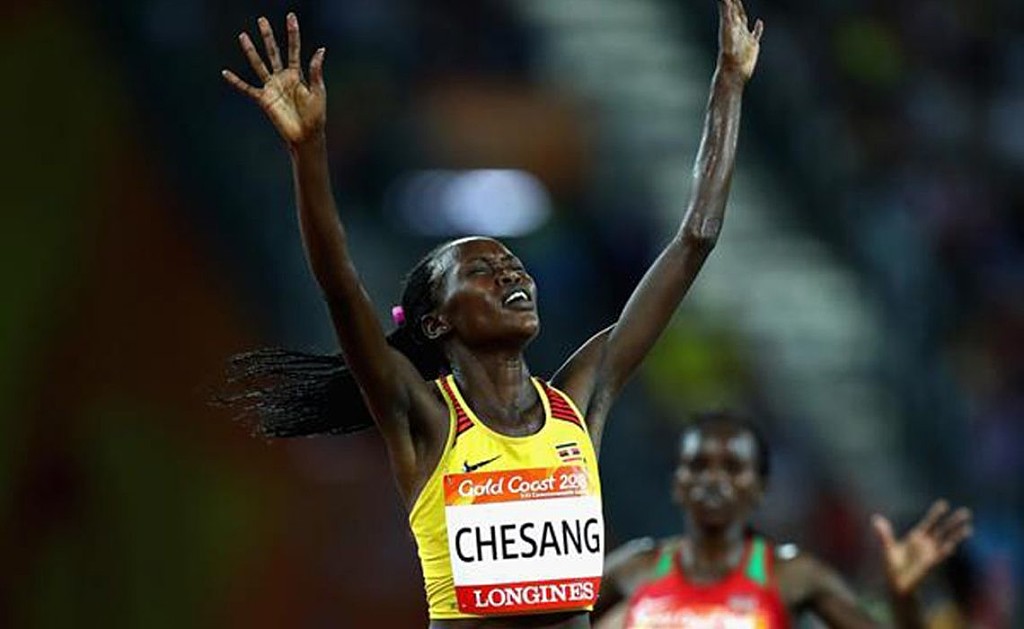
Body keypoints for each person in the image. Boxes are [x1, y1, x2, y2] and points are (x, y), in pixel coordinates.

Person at [219, 0, 762, 626]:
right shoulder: (424, 418)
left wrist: (728, 84)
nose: (511, 274)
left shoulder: (579, 404)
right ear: (436, 321)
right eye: (481, 270)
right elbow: (341, 288)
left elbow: (694, 239)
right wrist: (308, 152)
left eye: (512, 263)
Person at [595, 411, 973, 628]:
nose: (713, 480)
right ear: (677, 482)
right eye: (698, 465)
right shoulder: (635, 568)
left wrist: (903, 599)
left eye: (732, 467)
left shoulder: (791, 575)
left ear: (760, 487)